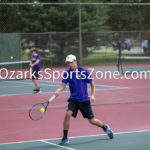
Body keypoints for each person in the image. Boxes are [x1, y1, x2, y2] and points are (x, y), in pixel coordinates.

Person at [54, 54, 114, 145]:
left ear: (75, 61)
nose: (69, 64)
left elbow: (92, 84)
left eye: (70, 62)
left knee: (92, 121)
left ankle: (104, 127)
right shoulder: (67, 73)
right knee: (68, 113)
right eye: (67, 63)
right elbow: (63, 85)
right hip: (73, 99)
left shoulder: (84, 72)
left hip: (84, 100)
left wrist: (92, 95)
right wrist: (58, 90)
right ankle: (65, 137)